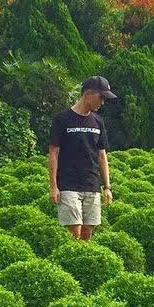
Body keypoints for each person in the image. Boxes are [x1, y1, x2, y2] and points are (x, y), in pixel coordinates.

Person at [47, 75, 115, 241]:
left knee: (86, 235)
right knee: (74, 233)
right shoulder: (61, 119)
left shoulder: (98, 122)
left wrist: (107, 186)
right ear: (87, 94)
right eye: (101, 97)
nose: (102, 102)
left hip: (91, 183)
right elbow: (53, 153)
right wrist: (53, 186)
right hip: (68, 184)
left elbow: (102, 155)